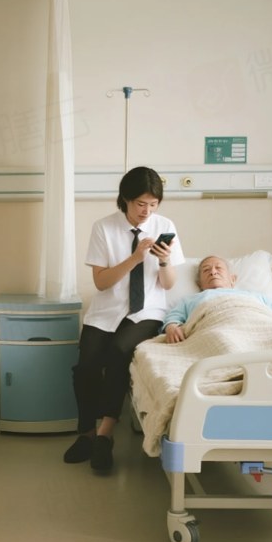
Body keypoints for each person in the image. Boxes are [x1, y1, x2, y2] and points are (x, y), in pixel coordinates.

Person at [64, 166, 185, 472]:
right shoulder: (104, 228)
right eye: (141, 204)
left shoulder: (165, 225)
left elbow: (168, 285)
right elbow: (101, 282)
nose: (147, 211)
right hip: (106, 309)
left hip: (147, 311)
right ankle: (86, 434)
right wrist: (135, 258)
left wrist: (164, 260)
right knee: (86, 365)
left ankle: (105, 435)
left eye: (153, 204)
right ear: (125, 199)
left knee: (119, 351)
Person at [162, 255, 272, 344]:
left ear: (232, 279)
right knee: (221, 342)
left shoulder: (254, 296)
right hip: (216, 330)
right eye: (206, 270)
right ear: (199, 284)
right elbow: (173, 317)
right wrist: (172, 327)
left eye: (219, 268)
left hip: (260, 328)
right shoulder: (191, 300)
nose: (213, 272)